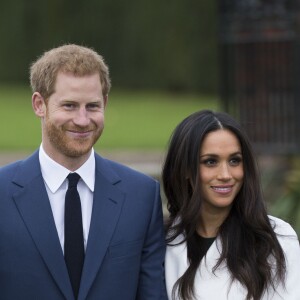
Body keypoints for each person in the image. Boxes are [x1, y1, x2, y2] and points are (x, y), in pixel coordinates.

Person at [0, 44, 166, 300]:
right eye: (69, 105)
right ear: (39, 105)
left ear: (106, 103)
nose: (82, 119)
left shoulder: (141, 195)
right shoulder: (2, 193)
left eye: (92, 106)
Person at [162, 110, 300, 300]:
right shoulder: (162, 242)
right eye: (210, 162)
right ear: (185, 169)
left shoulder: (277, 239)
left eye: (235, 160)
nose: (226, 174)